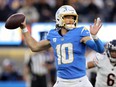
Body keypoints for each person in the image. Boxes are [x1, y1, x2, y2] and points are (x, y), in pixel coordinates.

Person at [14, 5, 104, 87]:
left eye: (72, 18)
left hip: (80, 82)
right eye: (67, 17)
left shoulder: (80, 32)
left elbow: (100, 49)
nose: (70, 20)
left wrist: (95, 36)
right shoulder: (53, 35)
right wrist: (24, 28)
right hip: (61, 82)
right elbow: (35, 47)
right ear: (59, 19)